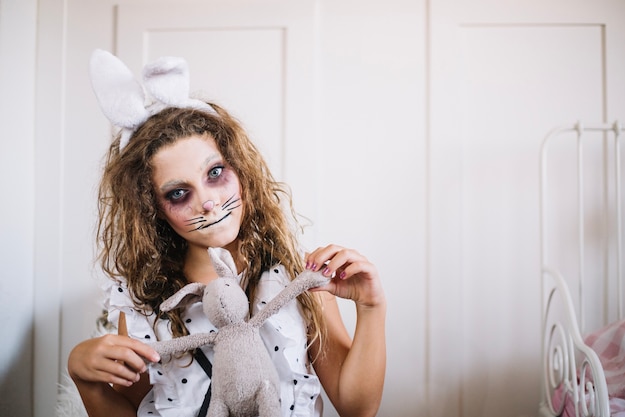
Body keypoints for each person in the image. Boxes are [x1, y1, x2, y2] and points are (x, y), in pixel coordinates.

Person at [67, 50, 386, 417]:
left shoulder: (301, 279)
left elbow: (357, 407)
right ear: (152, 210)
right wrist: (82, 375)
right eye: (178, 193)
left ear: (241, 169)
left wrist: (371, 307)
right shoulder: (143, 302)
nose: (207, 202)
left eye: (215, 173)